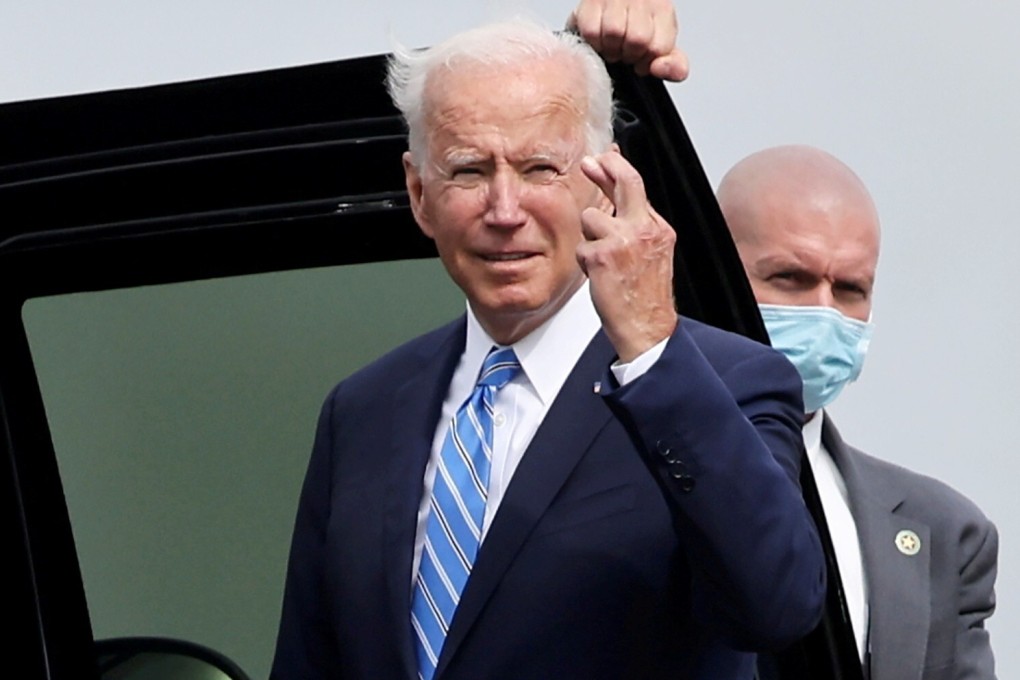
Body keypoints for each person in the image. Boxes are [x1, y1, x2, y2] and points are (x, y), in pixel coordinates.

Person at [270, 12, 826, 680]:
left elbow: (777, 607)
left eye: (540, 169)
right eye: (470, 172)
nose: (505, 211)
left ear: (602, 181)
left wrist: (651, 348)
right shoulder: (363, 410)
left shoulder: (723, 385)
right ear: (419, 194)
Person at [718, 145, 998, 680]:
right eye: (790, 279)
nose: (824, 313)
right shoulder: (615, 470)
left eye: (850, 289)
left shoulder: (947, 532)